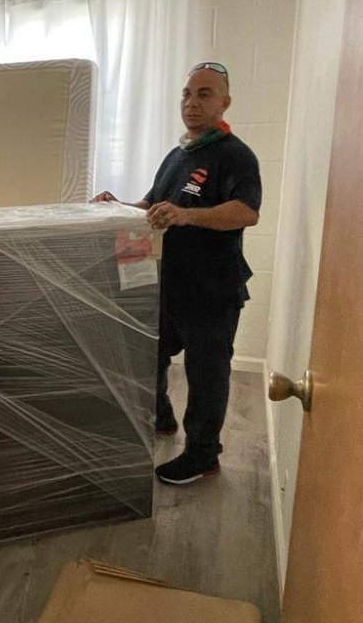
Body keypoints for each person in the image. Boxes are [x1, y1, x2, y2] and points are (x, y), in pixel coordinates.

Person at [92, 61, 261, 485]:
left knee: (206, 375)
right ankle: (162, 418)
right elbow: (152, 207)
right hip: (168, 284)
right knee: (148, 356)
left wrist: (188, 215)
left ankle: (203, 455)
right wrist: (117, 206)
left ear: (224, 102)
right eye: (187, 94)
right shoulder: (177, 155)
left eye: (204, 94)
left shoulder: (234, 155)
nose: (192, 103)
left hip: (212, 289)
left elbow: (246, 211)